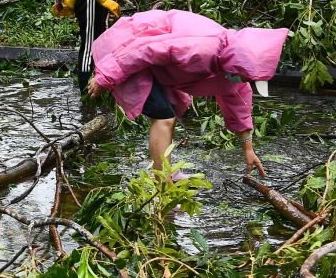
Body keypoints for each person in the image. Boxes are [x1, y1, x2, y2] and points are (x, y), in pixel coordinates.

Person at [86, 10, 289, 177]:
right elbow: (145, 49)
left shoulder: (233, 66)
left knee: (170, 113)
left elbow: (238, 103)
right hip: (128, 47)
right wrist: (105, 77)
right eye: (248, 78)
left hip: (156, 66)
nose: (246, 82)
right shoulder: (201, 48)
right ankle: (163, 184)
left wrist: (248, 149)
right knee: (164, 117)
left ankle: (168, 173)